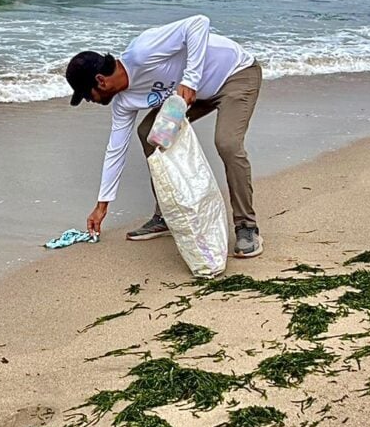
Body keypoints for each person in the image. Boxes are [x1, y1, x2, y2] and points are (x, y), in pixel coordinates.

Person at [65, 14, 264, 258]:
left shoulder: (143, 51)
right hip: (193, 96)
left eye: (88, 95)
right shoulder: (123, 102)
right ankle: (166, 215)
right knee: (148, 133)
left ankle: (247, 226)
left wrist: (190, 80)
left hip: (235, 74)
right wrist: (101, 206)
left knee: (227, 142)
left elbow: (198, 23)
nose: (91, 101)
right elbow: (116, 149)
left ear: (100, 81)